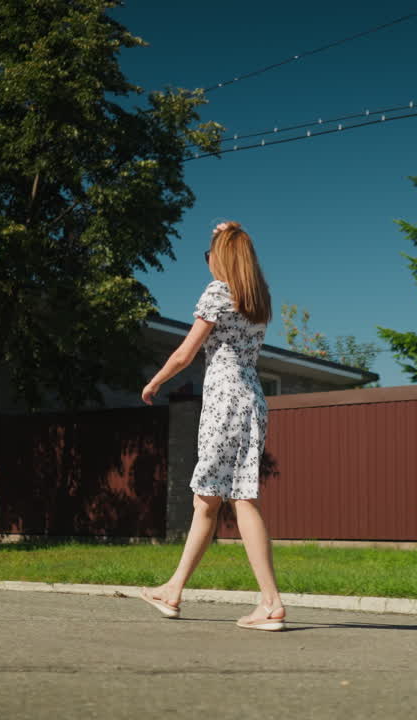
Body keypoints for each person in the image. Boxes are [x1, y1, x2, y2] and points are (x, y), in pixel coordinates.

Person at [138, 221, 285, 631]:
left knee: (231, 499)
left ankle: (271, 602)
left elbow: (186, 353)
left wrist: (154, 382)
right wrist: (232, 231)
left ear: (222, 258)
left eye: (210, 254)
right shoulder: (259, 298)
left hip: (224, 401)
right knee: (215, 499)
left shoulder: (218, 291)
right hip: (251, 397)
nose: (207, 261)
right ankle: (174, 590)